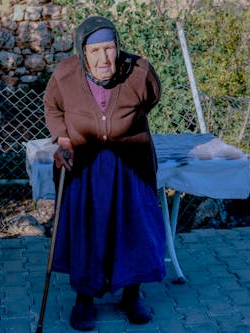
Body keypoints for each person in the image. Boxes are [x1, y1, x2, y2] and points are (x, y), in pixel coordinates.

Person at [44, 16, 166, 331]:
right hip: (85, 167)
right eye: (95, 50)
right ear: (83, 52)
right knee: (87, 231)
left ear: (118, 47)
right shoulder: (65, 74)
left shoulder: (139, 72)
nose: (104, 58)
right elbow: (52, 107)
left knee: (134, 231)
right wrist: (64, 137)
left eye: (109, 48)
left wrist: (119, 127)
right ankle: (85, 299)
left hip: (131, 166)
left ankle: (132, 295)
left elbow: (152, 98)